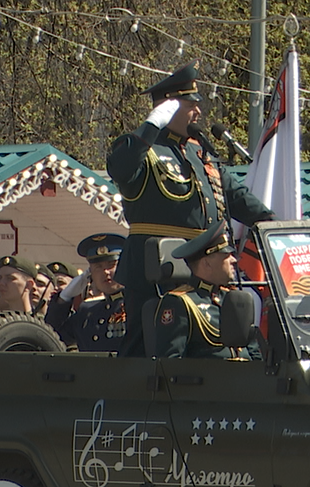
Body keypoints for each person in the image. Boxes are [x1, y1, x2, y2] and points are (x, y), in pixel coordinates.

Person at [106, 61, 273, 357]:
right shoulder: (144, 149)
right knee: (143, 348)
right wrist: (150, 126)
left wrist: (274, 223)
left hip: (204, 265)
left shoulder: (198, 152)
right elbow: (120, 168)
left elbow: (235, 195)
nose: (198, 112)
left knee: (208, 345)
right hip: (155, 268)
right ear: (168, 107)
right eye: (189, 104)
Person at [151, 223, 254, 360]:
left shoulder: (232, 298)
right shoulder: (180, 302)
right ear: (207, 264)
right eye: (226, 255)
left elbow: (254, 351)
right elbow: (171, 364)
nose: (234, 260)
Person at [46, 234, 127, 352]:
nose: (105, 272)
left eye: (111, 265)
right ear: (90, 274)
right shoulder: (88, 312)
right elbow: (51, 336)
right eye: (98, 267)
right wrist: (64, 297)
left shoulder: (137, 306)